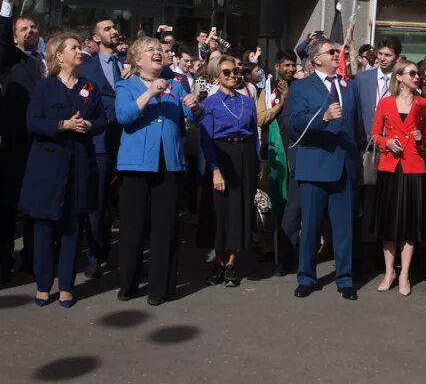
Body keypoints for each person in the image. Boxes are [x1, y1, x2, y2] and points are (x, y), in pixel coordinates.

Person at [20, 33, 105, 308]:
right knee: (44, 229)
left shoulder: (90, 87)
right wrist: (61, 125)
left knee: (72, 229)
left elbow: (103, 120)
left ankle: (67, 286)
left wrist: (89, 126)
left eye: (80, 47)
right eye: (74, 47)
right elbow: (32, 122)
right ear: (59, 55)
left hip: (79, 166)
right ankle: (44, 285)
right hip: (48, 168)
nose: (80, 51)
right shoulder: (45, 87)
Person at [115, 37, 201, 305]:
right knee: (133, 226)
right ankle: (128, 283)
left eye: (158, 50)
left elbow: (192, 119)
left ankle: (159, 288)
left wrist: (195, 108)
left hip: (170, 162)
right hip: (136, 164)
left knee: (166, 226)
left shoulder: (176, 85)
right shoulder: (126, 85)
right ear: (137, 60)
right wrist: (150, 92)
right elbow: (125, 117)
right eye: (149, 50)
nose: (156, 53)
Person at [287, 39, 360, 300]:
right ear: (316, 59)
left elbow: (357, 125)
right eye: (332, 52)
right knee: (311, 227)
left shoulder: (348, 86)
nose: (337, 56)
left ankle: (346, 278)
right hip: (315, 165)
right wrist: (323, 118)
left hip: (344, 165)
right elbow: (295, 121)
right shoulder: (301, 87)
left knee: (344, 228)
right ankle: (306, 277)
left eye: (338, 52)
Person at [0, 0, 42, 282]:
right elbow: (3, 35)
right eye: (24, 28)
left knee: (35, 206)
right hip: (14, 141)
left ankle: (31, 258)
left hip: (39, 142)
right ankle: (3, 262)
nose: (30, 32)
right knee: (8, 208)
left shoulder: (43, 62)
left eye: (34, 28)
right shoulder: (9, 59)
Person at [369, 57, 426, 296]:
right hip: (390, 168)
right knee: (389, 224)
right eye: (411, 73)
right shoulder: (385, 104)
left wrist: (421, 138)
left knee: (409, 224)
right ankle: (389, 272)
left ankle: (405, 273)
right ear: (399, 77)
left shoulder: (425, 104)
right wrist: (387, 142)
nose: (416, 77)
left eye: (417, 74)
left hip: (414, 168)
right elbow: (374, 134)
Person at [200, 55, 261, 288]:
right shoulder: (210, 104)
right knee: (221, 211)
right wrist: (215, 169)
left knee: (240, 210)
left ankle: (232, 263)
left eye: (236, 72)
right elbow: (206, 141)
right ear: (217, 76)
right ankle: (219, 260)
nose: (233, 76)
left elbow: (254, 136)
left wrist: (255, 164)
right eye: (227, 72)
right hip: (221, 155)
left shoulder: (247, 102)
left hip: (244, 157)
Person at [75, 17, 121, 278]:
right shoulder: (87, 68)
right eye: (107, 29)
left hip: (128, 140)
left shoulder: (129, 64)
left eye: (114, 28)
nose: (114, 31)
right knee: (98, 199)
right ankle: (96, 253)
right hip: (101, 142)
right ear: (94, 39)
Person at [260, 49, 299, 275]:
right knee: (275, 202)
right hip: (274, 151)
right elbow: (259, 117)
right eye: (286, 65)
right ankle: (272, 249)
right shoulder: (265, 89)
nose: (291, 69)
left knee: (294, 207)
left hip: (297, 149)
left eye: (293, 65)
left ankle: (292, 253)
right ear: (277, 66)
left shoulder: (302, 86)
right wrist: (281, 103)